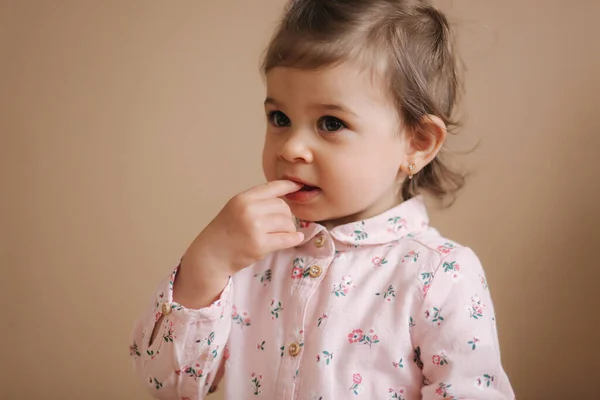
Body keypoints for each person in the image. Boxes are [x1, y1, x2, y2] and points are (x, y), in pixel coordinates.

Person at [130, 0, 515, 398]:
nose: (292, 147)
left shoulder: (439, 275)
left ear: (417, 143)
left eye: (331, 123)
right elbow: (168, 384)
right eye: (280, 119)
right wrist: (208, 262)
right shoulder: (249, 255)